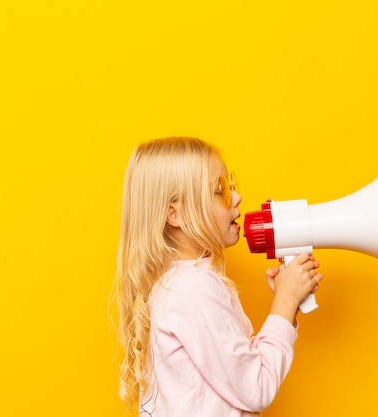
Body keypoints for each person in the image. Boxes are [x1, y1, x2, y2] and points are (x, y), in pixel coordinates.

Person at [115, 136, 323, 416]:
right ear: (175, 215)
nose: (237, 197)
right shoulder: (195, 287)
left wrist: (289, 304)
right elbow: (255, 387)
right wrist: (284, 304)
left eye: (230, 186)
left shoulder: (180, 284)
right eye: (220, 190)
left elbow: (236, 370)